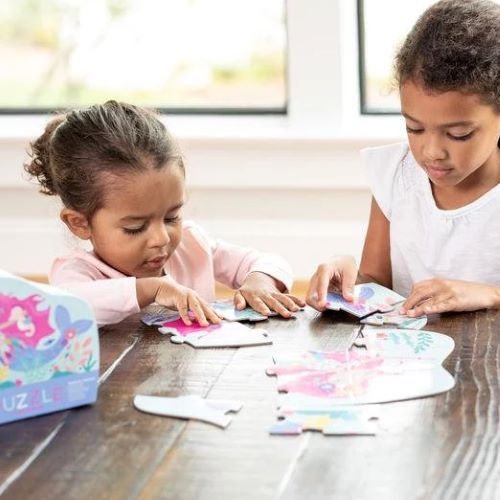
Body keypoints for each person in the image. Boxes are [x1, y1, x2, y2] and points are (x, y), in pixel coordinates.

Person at [25, 101, 304, 326]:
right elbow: (68, 307)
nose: (161, 238)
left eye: (171, 218)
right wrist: (153, 289)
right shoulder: (76, 274)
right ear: (80, 223)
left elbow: (267, 261)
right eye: (135, 227)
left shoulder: (191, 246)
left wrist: (260, 280)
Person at [307, 0, 500, 317]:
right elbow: (376, 283)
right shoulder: (394, 175)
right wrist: (347, 284)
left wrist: (490, 294)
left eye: (459, 134)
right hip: (410, 358)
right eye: (415, 128)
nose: (431, 151)